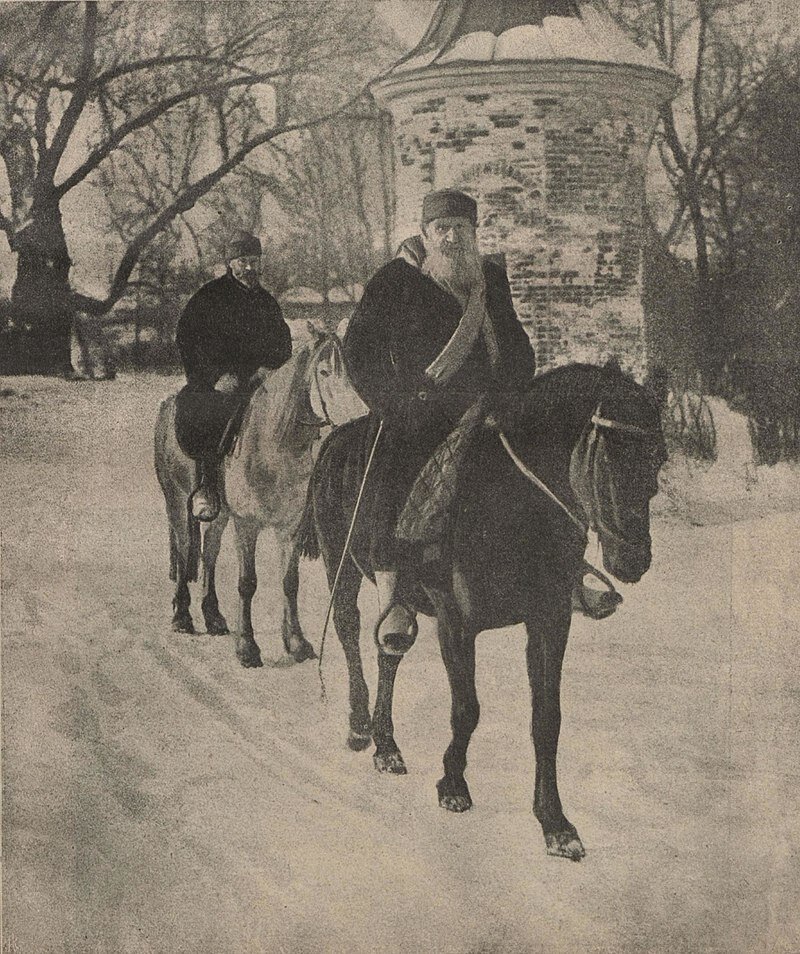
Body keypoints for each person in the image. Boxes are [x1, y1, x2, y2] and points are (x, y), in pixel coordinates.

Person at [342, 188, 537, 650]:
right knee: (393, 472)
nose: (452, 237)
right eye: (442, 229)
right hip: (419, 409)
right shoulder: (395, 278)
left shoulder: (490, 278)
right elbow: (360, 349)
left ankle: (555, 572)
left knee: (534, 464)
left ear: (473, 233)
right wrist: (392, 400)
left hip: (484, 409)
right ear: (426, 234)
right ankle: (396, 596)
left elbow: (515, 344)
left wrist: (511, 389)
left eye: (461, 229)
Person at [175, 230, 292, 521]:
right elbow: (187, 338)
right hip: (221, 382)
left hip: (260, 383)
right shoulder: (209, 297)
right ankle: (207, 484)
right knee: (208, 413)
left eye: (255, 261)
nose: (250, 268)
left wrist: (271, 367)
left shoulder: (267, 302)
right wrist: (214, 377)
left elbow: (283, 343)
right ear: (231, 263)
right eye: (243, 261)